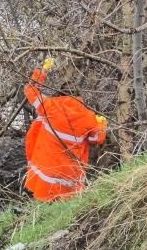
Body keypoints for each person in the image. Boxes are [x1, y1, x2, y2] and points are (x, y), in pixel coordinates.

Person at [23, 57, 108, 202]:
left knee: (45, 203)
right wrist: (102, 124)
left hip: (46, 171)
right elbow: (97, 138)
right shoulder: (88, 116)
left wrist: (42, 70)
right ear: (78, 97)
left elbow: (30, 90)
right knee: (68, 205)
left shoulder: (50, 107)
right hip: (70, 176)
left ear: (59, 94)